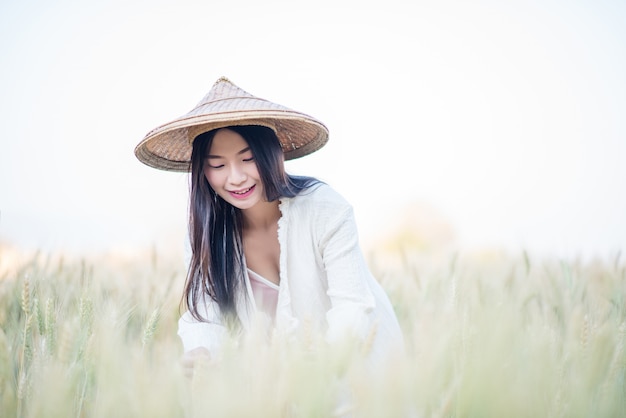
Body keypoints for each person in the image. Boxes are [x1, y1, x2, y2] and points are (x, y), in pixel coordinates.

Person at [134, 77, 404, 376]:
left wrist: (321, 365)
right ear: (202, 171)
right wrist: (201, 351)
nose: (235, 178)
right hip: (277, 380)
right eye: (218, 165)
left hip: (358, 368)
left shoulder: (325, 208)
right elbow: (205, 315)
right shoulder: (204, 233)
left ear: (271, 155)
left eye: (247, 159)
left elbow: (352, 308)